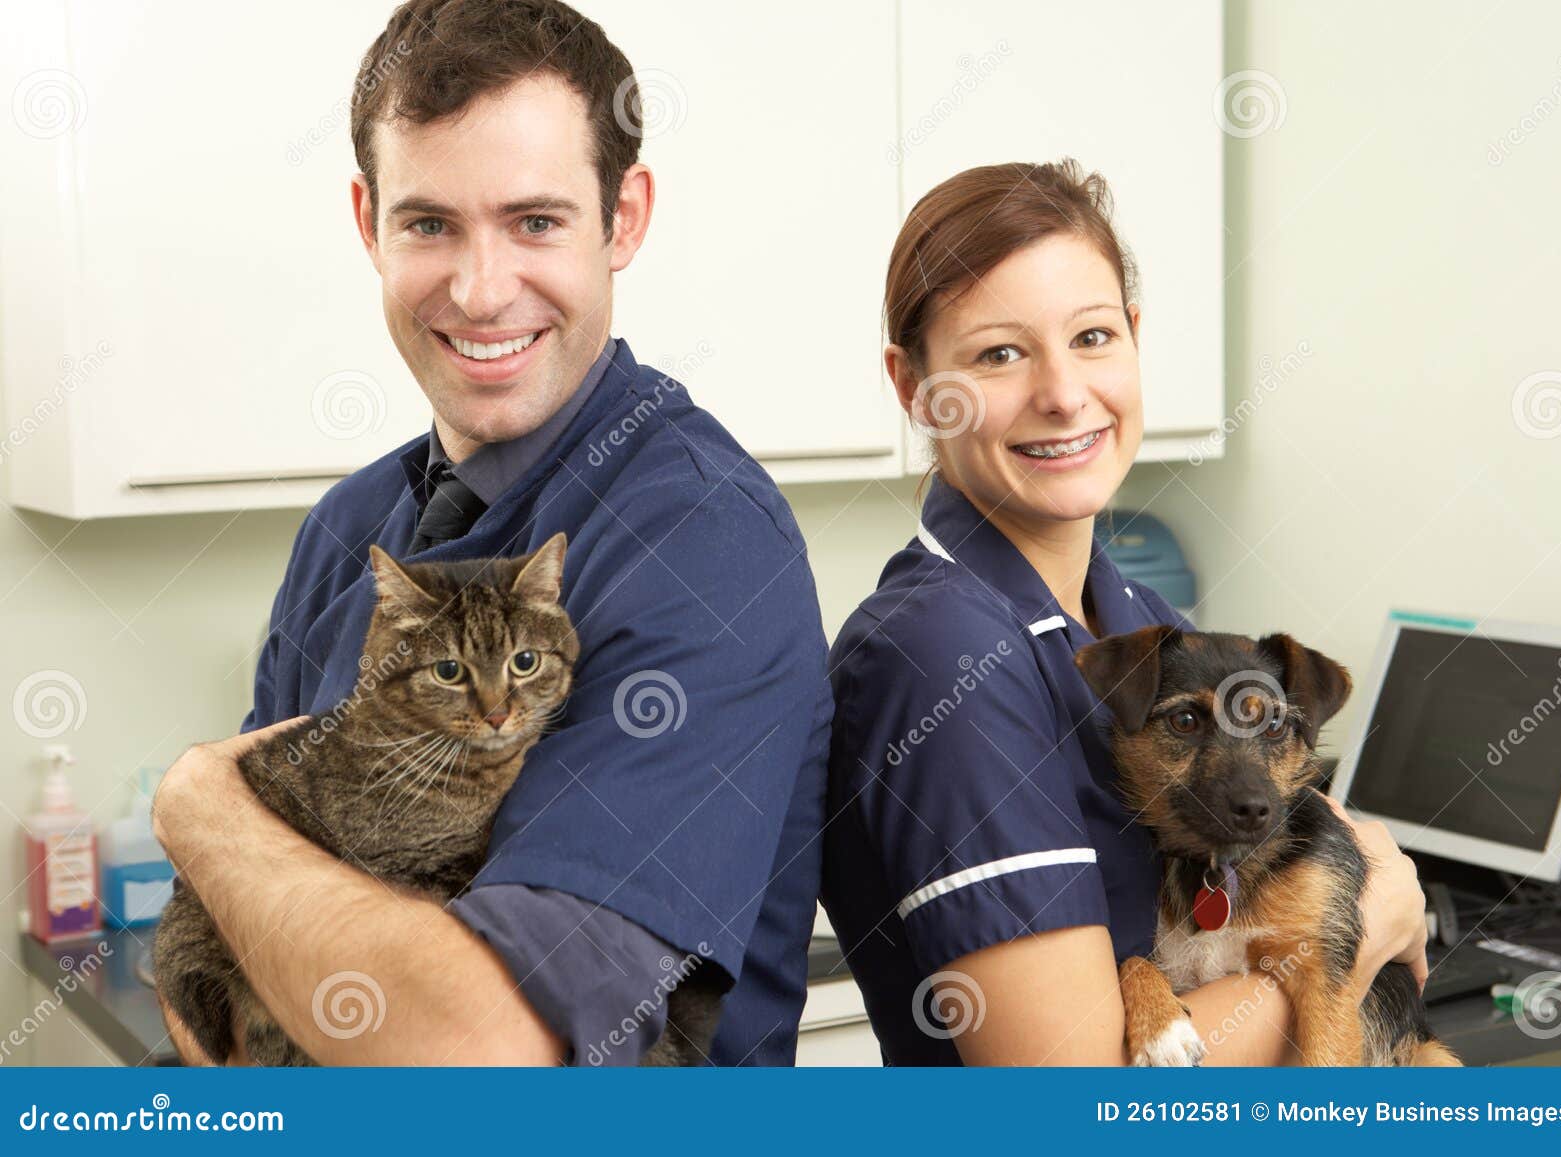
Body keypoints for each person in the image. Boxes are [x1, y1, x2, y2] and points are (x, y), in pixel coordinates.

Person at [151, 0, 830, 1067]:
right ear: (368, 222)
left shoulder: (703, 544)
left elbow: (485, 1060)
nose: (479, 290)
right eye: (429, 224)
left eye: (536, 222)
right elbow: (217, 951)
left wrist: (196, 804)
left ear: (623, 219)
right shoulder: (345, 533)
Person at [821, 159, 1428, 1065]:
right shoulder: (939, 653)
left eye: (1093, 336)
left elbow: (1280, 840)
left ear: (1136, 338)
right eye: (999, 354)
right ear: (913, 386)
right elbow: (1069, 1089)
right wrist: (1360, 930)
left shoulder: (1137, 614)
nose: (1065, 394)